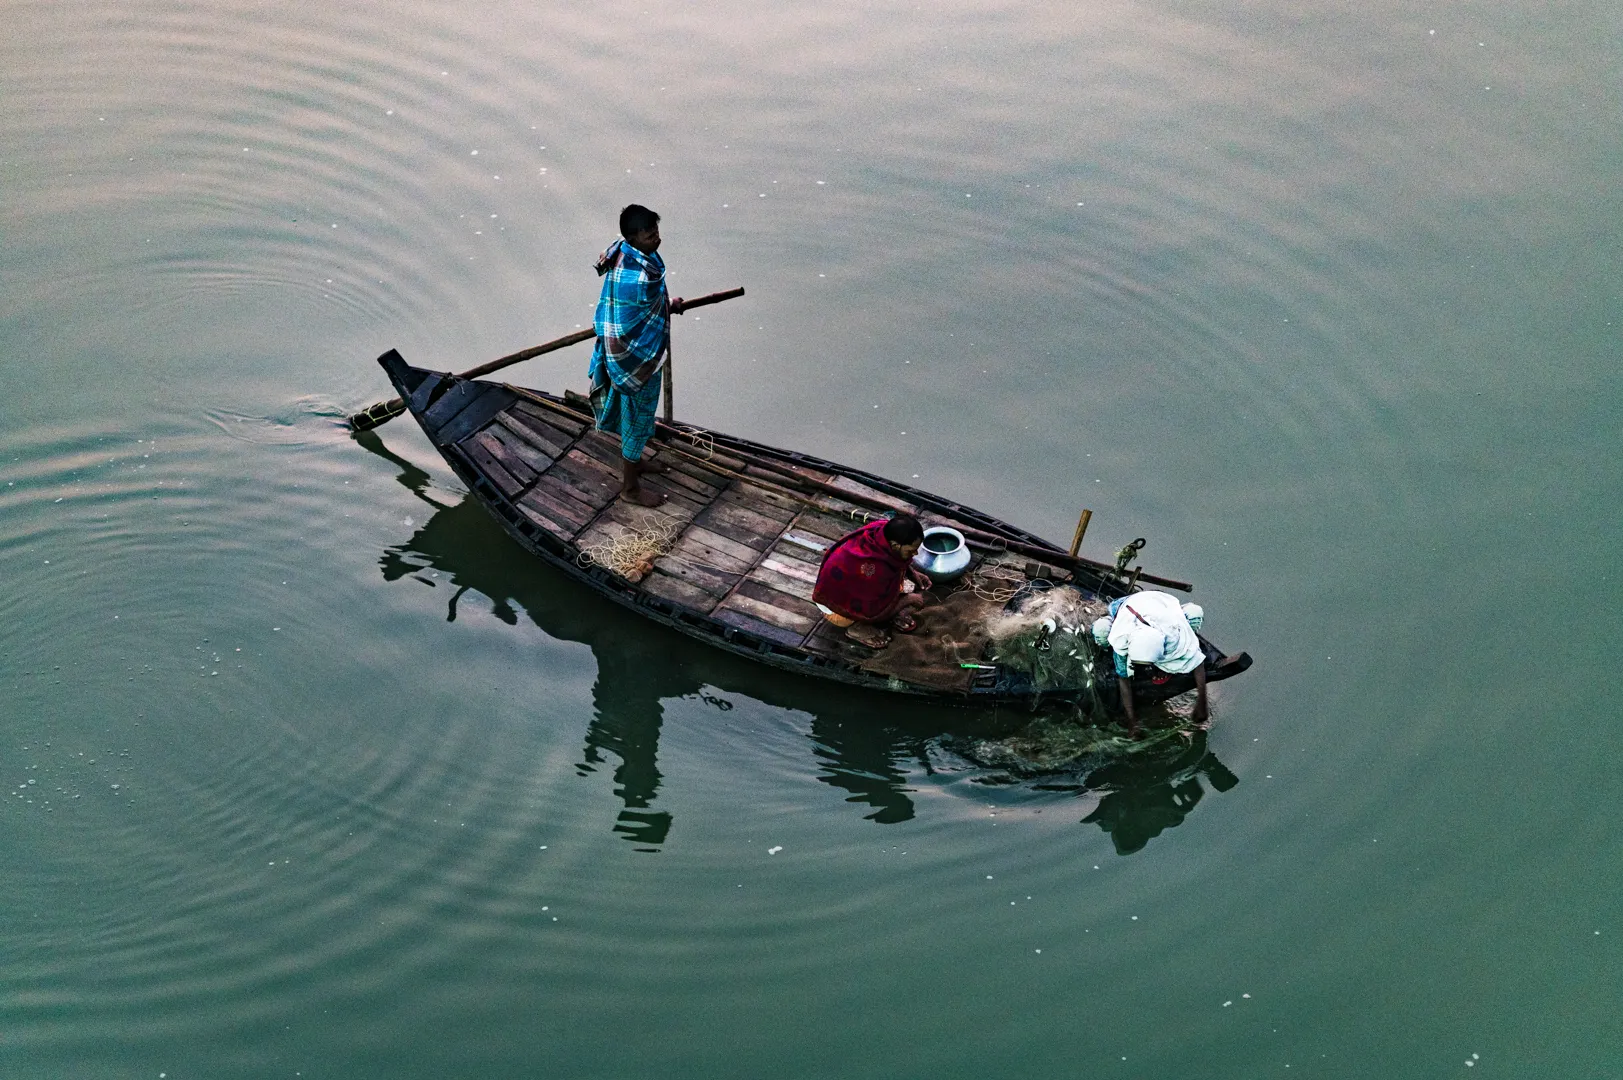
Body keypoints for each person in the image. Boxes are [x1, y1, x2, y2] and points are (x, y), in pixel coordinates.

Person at [589, 204, 686, 507]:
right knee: (637, 415)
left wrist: (669, 303)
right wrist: (665, 304)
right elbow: (637, 307)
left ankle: (638, 463)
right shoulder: (633, 276)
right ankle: (630, 488)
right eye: (648, 237)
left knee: (641, 413)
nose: (656, 240)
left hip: (629, 351)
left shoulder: (626, 252)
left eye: (656, 233)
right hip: (633, 356)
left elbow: (651, 302)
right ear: (631, 238)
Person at [1091, 592, 1208, 733]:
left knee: (1194, 613)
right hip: (1126, 607)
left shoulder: (1174, 637)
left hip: (1161, 603)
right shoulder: (1121, 637)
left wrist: (1202, 702)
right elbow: (1124, 679)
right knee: (1101, 631)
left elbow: (1197, 661)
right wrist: (1132, 721)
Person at [811, 514, 932, 648]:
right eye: (911, 550)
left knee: (895, 584)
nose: (915, 554)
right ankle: (857, 627)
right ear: (895, 545)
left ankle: (892, 609)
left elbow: (897, 562)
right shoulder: (874, 569)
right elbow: (872, 610)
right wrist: (908, 600)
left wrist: (912, 572)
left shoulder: (882, 530)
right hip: (837, 610)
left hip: (851, 588)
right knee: (868, 613)